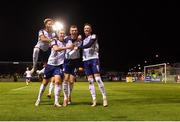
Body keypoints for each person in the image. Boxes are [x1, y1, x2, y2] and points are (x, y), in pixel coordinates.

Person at [35, 29, 73, 107]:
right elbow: (56, 49)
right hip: (50, 65)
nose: (62, 34)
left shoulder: (65, 42)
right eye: (60, 33)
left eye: (63, 33)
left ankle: (56, 102)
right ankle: (39, 99)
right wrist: (67, 47)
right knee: (45, 83)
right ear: (58, 34)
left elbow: (72, 40)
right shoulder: (54, 40)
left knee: (58, 82)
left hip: (59, 66)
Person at [75, 23, 108, 107]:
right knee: (90, 81)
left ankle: (104, 98)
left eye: (88, 28)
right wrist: (78, 40)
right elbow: (76, 46)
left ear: (90, 30)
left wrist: (79, 47)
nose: (86, 29)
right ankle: (94, 100)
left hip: (94, 59)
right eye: (85, 28)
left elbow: (89, 44)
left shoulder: (94, 36)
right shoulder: (83, 40)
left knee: (97, 79)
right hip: (86, 61)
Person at [63, 25, 82, 106]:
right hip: (67, 61)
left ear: (77, 31)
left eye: (75, 30)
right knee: (65, 79)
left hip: (75, 61)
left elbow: (77, 49)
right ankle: (65, 98)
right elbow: (59, 42)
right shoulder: (66, 38)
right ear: (70, 31)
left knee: (71, 81)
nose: (74, 32)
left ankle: (69, 95)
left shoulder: (80, 40)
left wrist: (77, 41)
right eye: (72, 30)